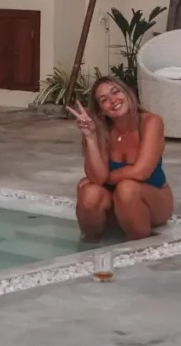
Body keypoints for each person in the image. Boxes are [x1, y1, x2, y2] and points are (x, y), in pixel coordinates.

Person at [67, 76, 173, 241]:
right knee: (89, 192)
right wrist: (91, 137)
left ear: (128, 93)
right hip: (114, 203)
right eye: (104, 100)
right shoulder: (102, 130)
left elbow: (140, 172)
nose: (113, 100)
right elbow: (96, 177)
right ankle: (90, 249)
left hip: (153, 199)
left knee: (126, 189)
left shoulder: (151, 122)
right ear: (102, 110)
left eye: (116, 92)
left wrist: (104, 179)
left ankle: (136, 247)